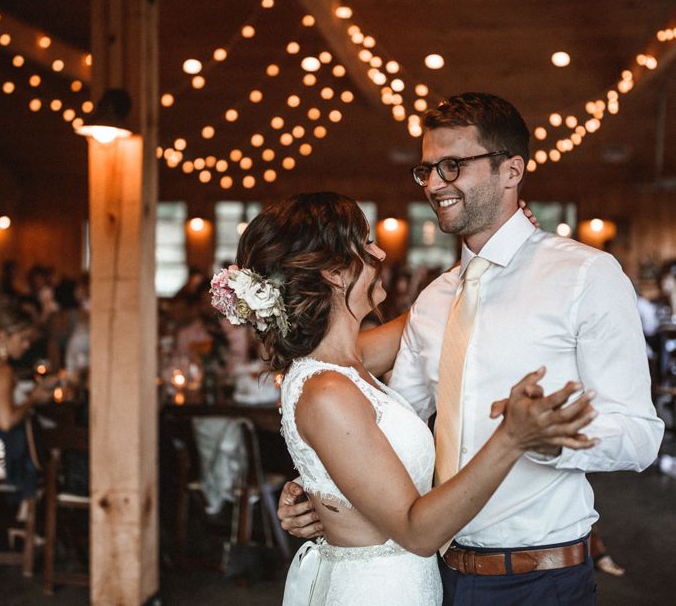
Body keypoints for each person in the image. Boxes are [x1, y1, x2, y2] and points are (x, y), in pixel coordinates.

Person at [278, 93, 664, 605]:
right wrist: (321, 490)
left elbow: (641, 438)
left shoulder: (585, 276)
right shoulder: (434, 300)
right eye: (428, 170)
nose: (435, 184)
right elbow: (390, 427)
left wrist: (548, 440)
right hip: (434, 573)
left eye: (453, 166)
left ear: (511, 170)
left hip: (540, 578)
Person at [213, 192, 598, 605]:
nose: (379, 252)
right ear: (334, 272)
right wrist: (512, 438)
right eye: (363, 243)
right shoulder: (326, 390)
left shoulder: (344, 362)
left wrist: (499, 247)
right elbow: (418, 532)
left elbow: (440, 313)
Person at [0, 306, 55, 498]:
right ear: (2, 335)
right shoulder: (2, 372)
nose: (26, 346)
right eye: (22, 339)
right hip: (0, 465)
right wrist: (33, 399)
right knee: (54, 457)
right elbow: (5, 422)